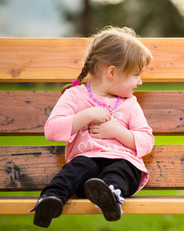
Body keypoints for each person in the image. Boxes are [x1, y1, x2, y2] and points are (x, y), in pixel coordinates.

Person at [32, 26, 154, 228]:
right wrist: (85, 116)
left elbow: (147, 141)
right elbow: (52, 130)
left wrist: (118, 132)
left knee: (122, 168)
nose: (140, 82)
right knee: (75, 169)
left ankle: (110, 196)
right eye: (136, 75)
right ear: (112, 72)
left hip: (122, 163)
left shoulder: (129, 103)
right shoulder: (75, 96)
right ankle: (50, 200)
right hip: (86, 167)